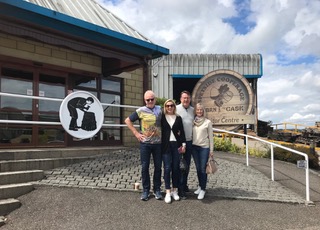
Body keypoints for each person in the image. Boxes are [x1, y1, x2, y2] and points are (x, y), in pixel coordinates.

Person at [124, 90, 162, 201]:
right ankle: (146, 190)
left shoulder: (160, 109)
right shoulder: (141, 111)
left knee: (158, 167)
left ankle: (157, 189)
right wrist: (136, 133)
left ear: (155, 99)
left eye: (152, 99)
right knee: (145, 167)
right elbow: (127, 120)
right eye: (147, 100)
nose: (150, 101)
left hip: (158, 144)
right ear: (145, 100)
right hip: (145, 144)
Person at [161, 99, 186, 204]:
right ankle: (168, 191)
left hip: (176, 145)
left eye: (171, 106)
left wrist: (183, 144)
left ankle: (175, 190)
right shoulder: (162, 118)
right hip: (166, 146)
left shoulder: (178, 118)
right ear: (165, 107)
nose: (169, 107)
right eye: (167, 106)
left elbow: (182, 132)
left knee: (176, 168)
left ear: (174, 107)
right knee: (167, 168)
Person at [192, 103, 214, 200]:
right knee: (197, 168)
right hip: (194, 148)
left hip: (204, 148)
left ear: (203, 111)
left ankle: (203, 189)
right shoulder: (193, 121)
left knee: (202, 168)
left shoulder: (207, 122)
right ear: (195, 111)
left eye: (201, 110)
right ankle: (200, 186)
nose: (199, 111)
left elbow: (211, 137)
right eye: (198, 110)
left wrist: (211, 150)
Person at [176, 90, 194, 199]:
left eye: (187, 98)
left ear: (190, 99)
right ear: (180, 99)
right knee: (180, 166)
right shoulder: (176, 109)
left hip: (190, 141)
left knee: (186, 165)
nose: (186, 100)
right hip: (179, 142)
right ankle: (180, 189)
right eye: (184, 98)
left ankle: (184, 184)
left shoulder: (193, 110)